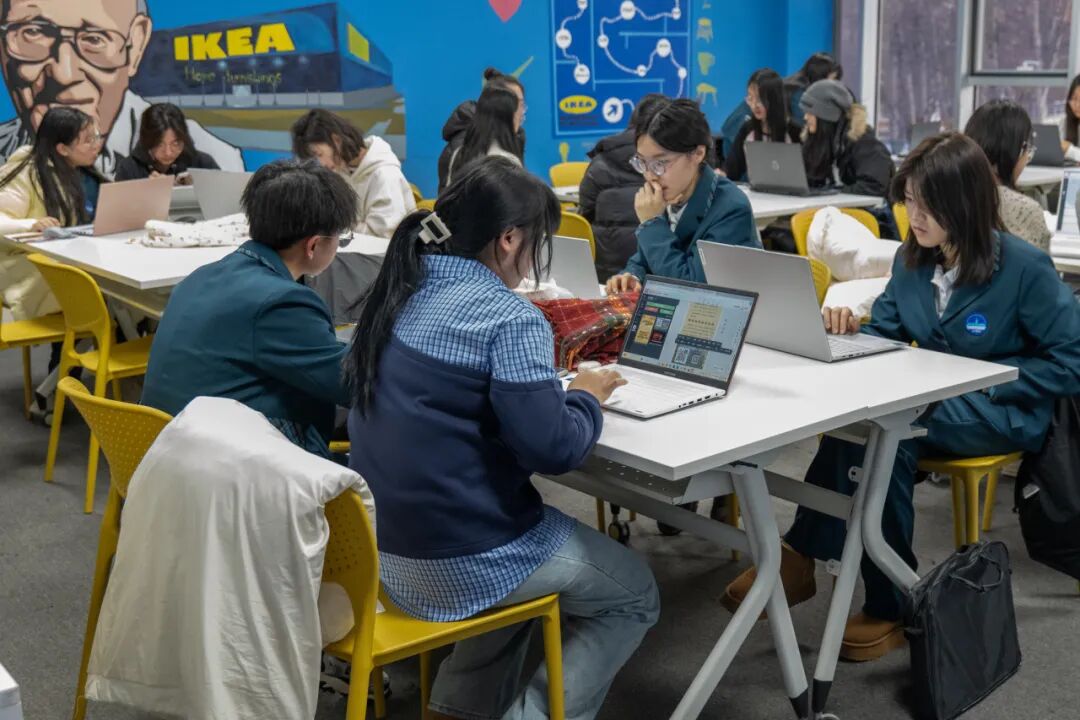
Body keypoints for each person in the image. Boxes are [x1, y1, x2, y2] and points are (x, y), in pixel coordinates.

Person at [723, 133, 1080, 662]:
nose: (915, 215)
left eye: (929, 204)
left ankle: (829, 569)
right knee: (874, 431)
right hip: (927, 404)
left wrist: (988, 377)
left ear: (966, 203)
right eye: (910, 200)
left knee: (888, 432)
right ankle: (856, 583)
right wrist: (850, 328)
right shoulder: (912, 261)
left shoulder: (1024, 269)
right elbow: (886, 331)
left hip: (1001, 410)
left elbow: (1070, 362)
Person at [346, 156, 659, 720]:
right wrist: (585, 395)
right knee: (635, 595)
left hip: (384, 549)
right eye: (538, 241)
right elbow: (555, 450)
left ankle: (456, 709)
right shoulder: (508, 318)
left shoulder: (399, 289)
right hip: (462, 556)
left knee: (523, 586)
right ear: (510, 239)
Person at [141, 159, 358, 458]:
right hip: (220, 467)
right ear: (313, 245)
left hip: (161, 450)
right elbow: (352, 385)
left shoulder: (202, 275)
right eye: (340, 239)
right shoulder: (283, 303)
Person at [0, 0, 242, 176]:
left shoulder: (215, 158)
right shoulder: (10, 160)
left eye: (94, 39)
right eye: (32, 33)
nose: (64, 74)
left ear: (135, 46)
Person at [606, 98, 760, 294]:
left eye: (661, 163)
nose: (650, 175)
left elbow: (691, 288)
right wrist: (632, 277)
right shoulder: (670, 192)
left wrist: (651, 224)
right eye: (642, 162)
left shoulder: (731, 209)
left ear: (698, 153)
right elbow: (646, 259)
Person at [0, 107, 103, 320]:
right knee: (99, 287)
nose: (96, 145)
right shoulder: (25, 170)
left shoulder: (83, 171)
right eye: (88, 140)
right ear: (63, 149)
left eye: (96, 137)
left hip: (68, 256)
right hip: (26, 265)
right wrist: (31, 224)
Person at [577, 93, 667, 281]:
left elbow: (584, 217)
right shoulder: (671, 169)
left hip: (605, 276)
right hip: (660, 274)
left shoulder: (600, 162)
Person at [292, 109, 415, 239]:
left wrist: (336, 225)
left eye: (319, 154)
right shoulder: (342, 170)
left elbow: (383, 237)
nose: (321, 164)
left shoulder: (385, 175)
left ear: (336, 140)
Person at [715, 52, 840, 167]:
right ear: (819, 77)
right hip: (741, 136)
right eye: (833, 81)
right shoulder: (799, 94)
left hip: (738, 133)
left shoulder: (790, 84)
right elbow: (805, 131)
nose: (834, 87)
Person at [964, 100, 1051, 252]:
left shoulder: (946, 195)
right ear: (1016, 150)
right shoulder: (1026, 210)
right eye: (1028, 150)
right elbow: (1040, 265)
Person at [438, 67, 526, 194]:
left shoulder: (508, 144)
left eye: (522, 104)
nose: (521, 112)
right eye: (516, 103)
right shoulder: (500, 160)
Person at [800, 79, 893, 198]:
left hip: (867, 209)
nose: (805, 117)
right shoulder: (818, 142)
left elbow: (875, 186)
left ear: (827, 116)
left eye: (810, 112)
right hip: (831, 207)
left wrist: (831, 194)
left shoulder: (865, 144)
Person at [723, 69, 802, 182]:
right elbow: (732, 169)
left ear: (774, 99)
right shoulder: (747, 129)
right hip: (756, 192)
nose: (754, 105)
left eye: (760, 99)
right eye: (751, 98)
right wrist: (722, 174)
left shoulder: (794, 132)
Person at [114, 103, 220, 183]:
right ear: (146, 141)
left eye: (175, 144)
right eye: (159, 144)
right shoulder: (128, 169)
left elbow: (223, 199)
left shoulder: (203, 164)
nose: (168, 152)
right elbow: (119, 206)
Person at [1061, 74, 1080, 163]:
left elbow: (1068, 150)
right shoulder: (1063, 123)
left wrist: (1069, 150)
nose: (1077, 105)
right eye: (1074, 99)